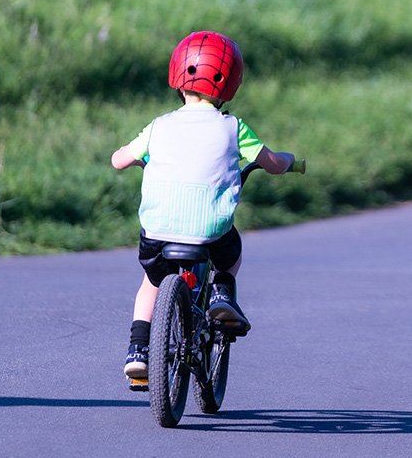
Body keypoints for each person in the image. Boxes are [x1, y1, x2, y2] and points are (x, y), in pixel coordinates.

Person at [110, 30, 295, 387]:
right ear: (230, 86)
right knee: (231, 254)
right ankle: (222, 293)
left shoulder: (159, 126)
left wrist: (137, 160)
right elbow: (271, 163)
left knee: (151, 282)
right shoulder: (233, 127)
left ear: (178, 79)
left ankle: (137, 351)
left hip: (157, 230)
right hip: (209, 231)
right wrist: (288, 161)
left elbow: (119, 160)